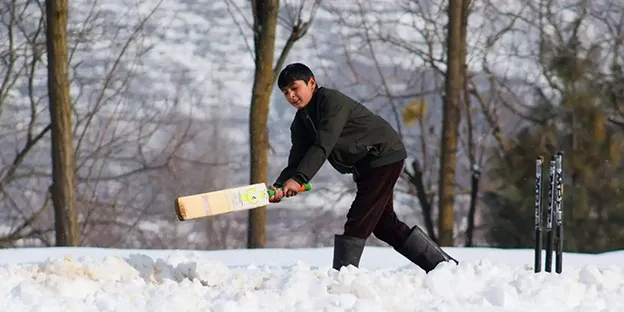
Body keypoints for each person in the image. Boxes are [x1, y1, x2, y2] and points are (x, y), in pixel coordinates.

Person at [268, 63, 458, 273]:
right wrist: (279, 186)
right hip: (366, 167)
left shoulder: (331, 102)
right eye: (285, 92)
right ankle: (444, 267)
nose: (291, 96)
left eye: (295, 88)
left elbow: (323, 144)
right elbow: (295, 161)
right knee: (385, 225)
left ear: (311, 83)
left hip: (382, 156)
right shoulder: (301, 122)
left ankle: (343, 275)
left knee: (357, 220)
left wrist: (300, 178)